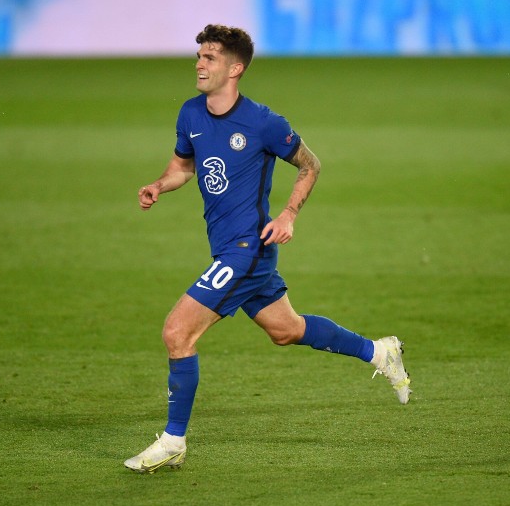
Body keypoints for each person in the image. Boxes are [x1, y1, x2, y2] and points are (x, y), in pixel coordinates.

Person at [125, 24, 411, 474]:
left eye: (211, 57)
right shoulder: (190, 114)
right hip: (230, 249)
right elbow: (183, 166)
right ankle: (380, 352)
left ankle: (173, 441)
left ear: (235, 68)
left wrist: (289, 215)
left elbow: (310, 165)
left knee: (177, 333)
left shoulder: (262, 122)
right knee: (287, 330)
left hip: (246, 250)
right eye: (199, 55)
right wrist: (160, 185)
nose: (200, 63)